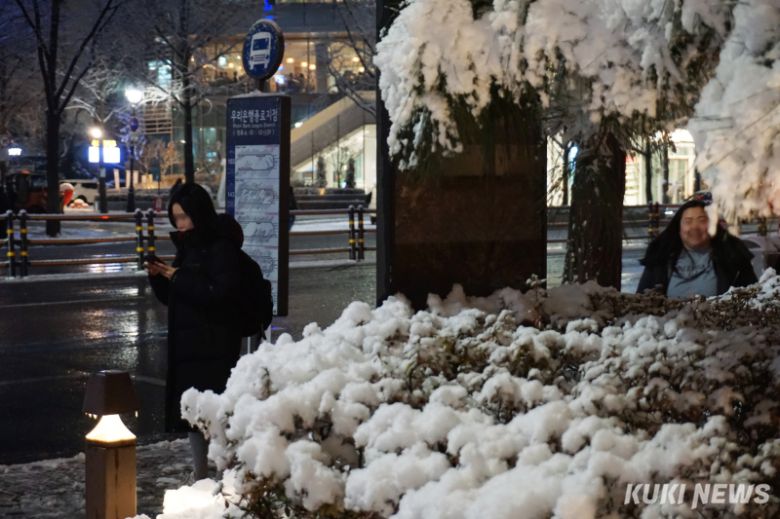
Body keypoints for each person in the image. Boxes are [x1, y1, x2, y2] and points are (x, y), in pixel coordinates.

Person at [146, 182, 242, 481]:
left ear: (199, 214)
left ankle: (228, 475)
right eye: (176, 218)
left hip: (214, 345)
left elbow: (219, 294)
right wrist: (162, 279)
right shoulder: (189, 248)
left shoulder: (220, 247)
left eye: (184, 217)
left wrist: (179, 278)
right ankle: (200, 475)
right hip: (190, 347)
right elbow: (180, 294)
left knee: (215, 415)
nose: (180, 224)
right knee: (194, 416)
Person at [637, 198, 757, 297]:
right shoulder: (660, 259)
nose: (695, 227)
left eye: (702, 220)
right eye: (688, 221)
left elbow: (753, 297)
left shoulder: (733, 257)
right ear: (678, 228)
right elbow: (642, 300)